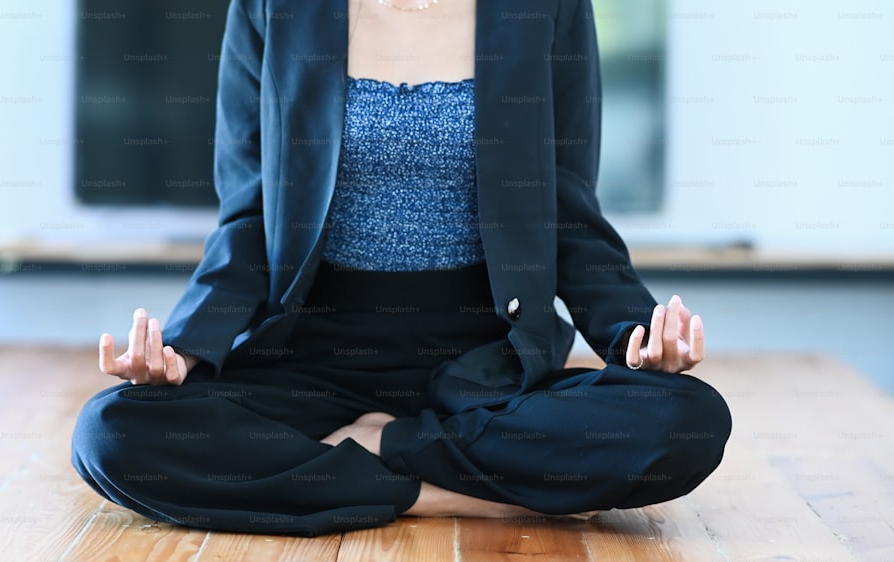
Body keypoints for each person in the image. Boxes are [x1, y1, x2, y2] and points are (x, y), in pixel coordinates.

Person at [72, 0, 731, 537]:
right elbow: (247, 219)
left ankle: (373, 455)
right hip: (311, 359)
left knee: (687, 420)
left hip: (483, 367)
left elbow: (568, 212)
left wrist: (634, 335)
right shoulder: (272, 8)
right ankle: (451, 491)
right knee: (112, 432)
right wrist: (187, 347)